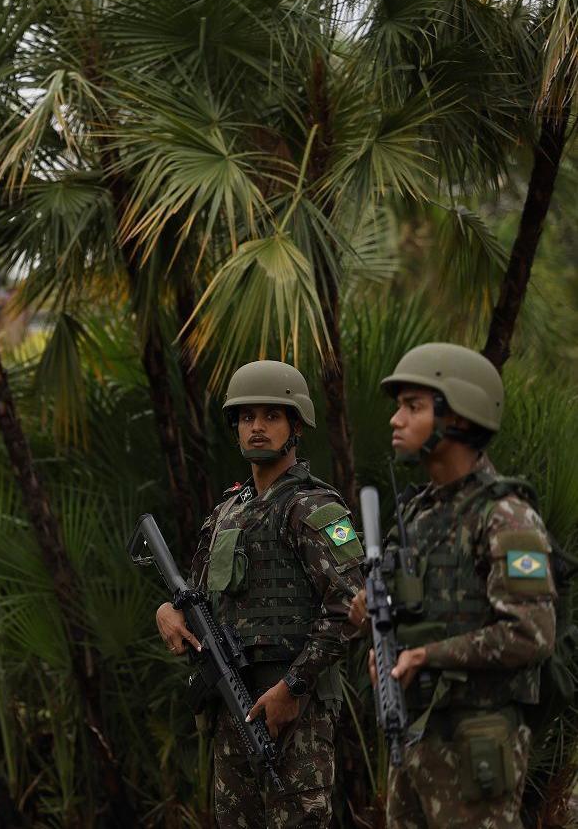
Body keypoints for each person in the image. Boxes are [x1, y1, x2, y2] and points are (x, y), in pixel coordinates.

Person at [353, 343, 557, 828]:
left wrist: (426, 656)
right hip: (414, 740)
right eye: (399, 406)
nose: (395, 420)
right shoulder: (420, 514)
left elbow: (531, 634)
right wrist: (375, 628)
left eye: (414, 407)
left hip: (477, 745)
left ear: (459, 418)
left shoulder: (504, 515)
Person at [155, 360, 364, 827]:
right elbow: (194, 595)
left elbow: (350, 609)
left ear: (295, 426)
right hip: (232, 703)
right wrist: (167, 611)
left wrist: (292, 687)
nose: (257, 428)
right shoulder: (227, 511)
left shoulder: (314, 506)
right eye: (247, 417)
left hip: (295, 712)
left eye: (272, 416)